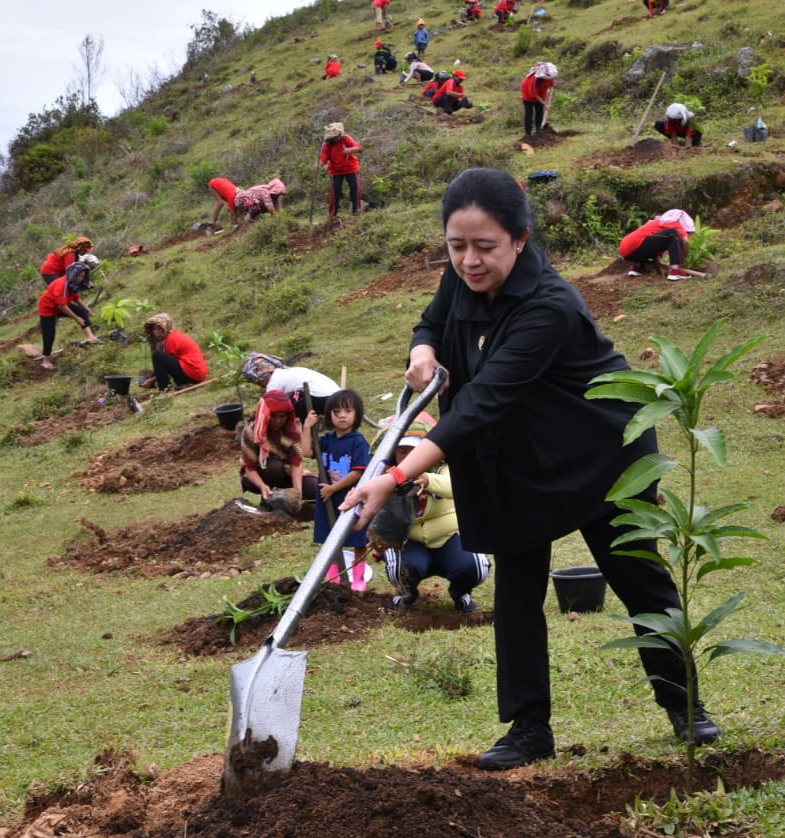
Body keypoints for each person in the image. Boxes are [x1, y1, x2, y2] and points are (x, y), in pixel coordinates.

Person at [340, 167, 721, 771]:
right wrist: (422, 349)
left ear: (520, 239)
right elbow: (433, 320)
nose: (468, 261)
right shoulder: (462, 275)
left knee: (638, 577)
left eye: (484, 247)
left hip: (600, 453)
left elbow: (481, 401)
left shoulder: (551, 305)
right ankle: (528, 729)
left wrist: (393, 473)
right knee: (518, 591)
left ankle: (686, 706)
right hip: (515, 456)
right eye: (456, 246)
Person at [375, 418, 491, 613]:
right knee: (399, 568)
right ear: (393, 453)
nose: (409, 457)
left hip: (449, 536)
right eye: (402, 451)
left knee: (476, 566)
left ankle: (461, 592)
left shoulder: (443, 468)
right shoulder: (385, 477)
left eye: (415, 451)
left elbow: (456, 487)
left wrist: (428, 480)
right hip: (410, 542)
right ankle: (406, 593)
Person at [302, 390, 372, 589]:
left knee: (357, 539)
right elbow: (307, 451)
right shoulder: (327, 440)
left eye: (347, 411)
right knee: (330, 538)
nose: (342, 415)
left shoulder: (358, 442)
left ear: (356, 414)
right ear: (330, 415)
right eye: (337, 411)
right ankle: (335, 577)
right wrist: (307, 427)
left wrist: (334, 488)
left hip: (350, 496)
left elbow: (357, 472)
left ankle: (358, 579)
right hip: (327, 498)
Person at [240, 390, 319, 504]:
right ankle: (268, 499)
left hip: (286, 473)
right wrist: (262, 486)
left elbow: (296, 462)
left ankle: (283, 498)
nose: (278, 421)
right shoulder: (251, 431)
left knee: (315, 488)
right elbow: (249, 468)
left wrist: (297, 492)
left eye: (282, 416)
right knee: (274, 468)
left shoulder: (292, 429)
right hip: (260, 476)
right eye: (273, 416)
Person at [35, 261, 99, 370]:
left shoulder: (73, 283)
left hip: (61, 304)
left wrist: (86, 308)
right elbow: (62, 306)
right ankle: (46, 360)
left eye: (82, 276)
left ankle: (90, 336)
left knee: (82, 312)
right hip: (48, 308)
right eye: (78, 275)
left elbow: (76, 298)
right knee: (49, 334)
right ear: (73, 273)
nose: (80, 278)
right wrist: (76, 319)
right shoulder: (61, 285)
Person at [618, 209, 696, 280]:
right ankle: (675, 271)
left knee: (645, 240)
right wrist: (682, 261)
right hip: (636, 246)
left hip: (625, 250)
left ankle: (637, 268)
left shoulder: (656, 224)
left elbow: (655, 248)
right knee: (674, 233)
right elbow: (686, 242)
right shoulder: (675, 224)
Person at [139, 313, 208, 391]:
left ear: (166, 327)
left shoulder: (171, 339)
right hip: (195, 372)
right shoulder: (170, 337)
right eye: (154, 329)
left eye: (159, 328)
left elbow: (165, 366)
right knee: (160, 357)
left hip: (193, 372)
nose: (156, 332)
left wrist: (152, 380)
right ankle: (182, 384)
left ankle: (165, 390)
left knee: (157, 356)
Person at [319, 122, 363, 219]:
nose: (334, 138)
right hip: (335, 170)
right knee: (335, 192)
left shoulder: (346, 138)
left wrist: (350, 150)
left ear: (339, 135)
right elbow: (324, 157)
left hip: (351, 168)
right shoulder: (327, 144)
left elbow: (359, 148)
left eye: (335, 136)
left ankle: (356, 213)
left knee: (355, 189)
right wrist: (320, 163)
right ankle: (332, 216)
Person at [520, 62, 558, 137]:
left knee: (540, 111)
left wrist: (553, 87)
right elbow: (533, 95)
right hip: (528, 95)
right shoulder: (534, 80)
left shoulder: (549, 77)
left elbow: (551, 86)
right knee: (529, 113)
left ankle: (539, 131)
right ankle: (528, 134)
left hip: (541, 93)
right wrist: (544, 104)